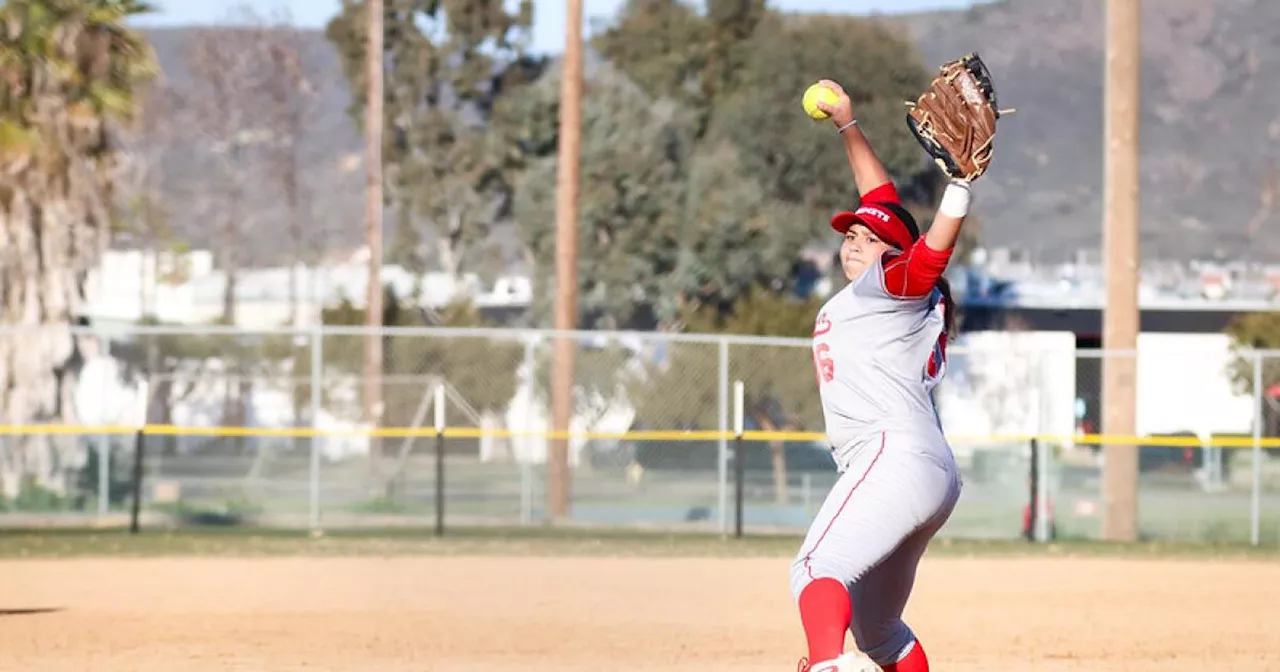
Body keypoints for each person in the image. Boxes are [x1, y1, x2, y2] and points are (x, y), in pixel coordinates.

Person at [791, 79, 973, 672]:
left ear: (891, 255)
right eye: (850, 234)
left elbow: (925, 256)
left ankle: (826, 667)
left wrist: (959, 191)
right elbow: (883, 200)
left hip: (889, 454)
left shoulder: (888, 285)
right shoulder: (892, 291)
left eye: (869, 240)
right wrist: (848, 123)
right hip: (930, 469)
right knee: (878, 628)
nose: (854, 244)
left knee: (817, 569)